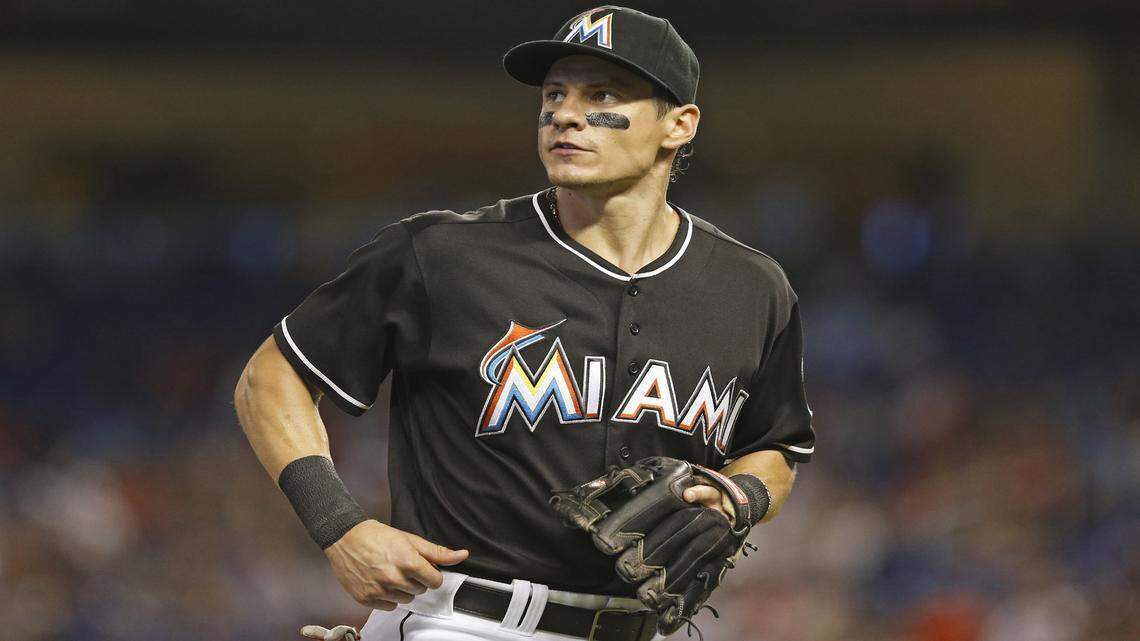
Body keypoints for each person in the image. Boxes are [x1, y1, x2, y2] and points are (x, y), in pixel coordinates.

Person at [233, 6, 815, 641]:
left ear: (679, 124)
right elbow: (271, 378)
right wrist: (339, 526)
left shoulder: (752, 289)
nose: (565, 114)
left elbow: (775, 446)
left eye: (602, 96)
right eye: (554, 95)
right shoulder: (442, 256)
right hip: (467, 620)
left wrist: (741, 497)